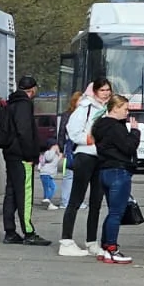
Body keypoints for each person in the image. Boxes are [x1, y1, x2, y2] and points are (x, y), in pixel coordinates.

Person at [57, 76, 112, 257]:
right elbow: (72, 130)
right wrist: (88, 140)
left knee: (96, 202)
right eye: (102, 90)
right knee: (76, 199)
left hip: (101, 159)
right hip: (85, 157)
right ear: (95, 91)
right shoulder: (85, 107)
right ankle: (66, 241)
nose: (106, 93)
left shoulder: (108, 109)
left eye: (108, 90)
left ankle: (91, 241)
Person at [92, 93, 142, 264]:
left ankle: (106, 248)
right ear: (114, 108)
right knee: (116, 213)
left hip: (104, 171)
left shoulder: (100, 125)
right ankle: (112, 248)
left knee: (112, 211)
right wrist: (135, 132)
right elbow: (128, 147)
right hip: (119, 172)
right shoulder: (115, 128)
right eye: (125, 109)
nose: (127, 113)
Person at [1, 74, 51, 245]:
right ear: (33, 89)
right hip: (22, 156)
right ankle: (29, 232)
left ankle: (9, 231)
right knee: (25, 193)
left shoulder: (11, 103)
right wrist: (31, 155)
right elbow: (25, 132)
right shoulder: (24, 104)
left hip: (10, 154)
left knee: (11, 193)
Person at [36, 141, 62, 209]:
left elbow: (55, 162)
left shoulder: (54, 154)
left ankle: (47, 203)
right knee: (52, 187)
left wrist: (59, 155)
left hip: (48, 174)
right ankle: (47, 200)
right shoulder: (48, 152)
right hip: (46, 174)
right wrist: (53, 150)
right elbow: (49, 158)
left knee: (49, 188)